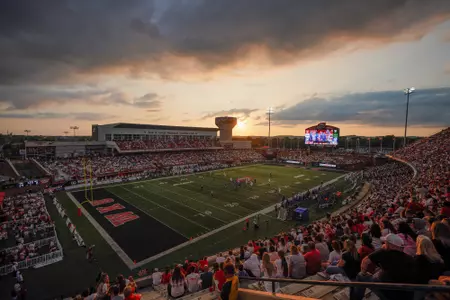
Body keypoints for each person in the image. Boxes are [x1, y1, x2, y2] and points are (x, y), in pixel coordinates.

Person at [352, 234, 417, 300]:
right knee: (378, 272)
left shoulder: (383, 252)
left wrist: (364, 273)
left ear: (391, 245)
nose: (384, 244)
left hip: (387, 291)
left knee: (360, 276)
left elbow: (365, 262)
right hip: (406, 295)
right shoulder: (410, 259)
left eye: (386, 243)